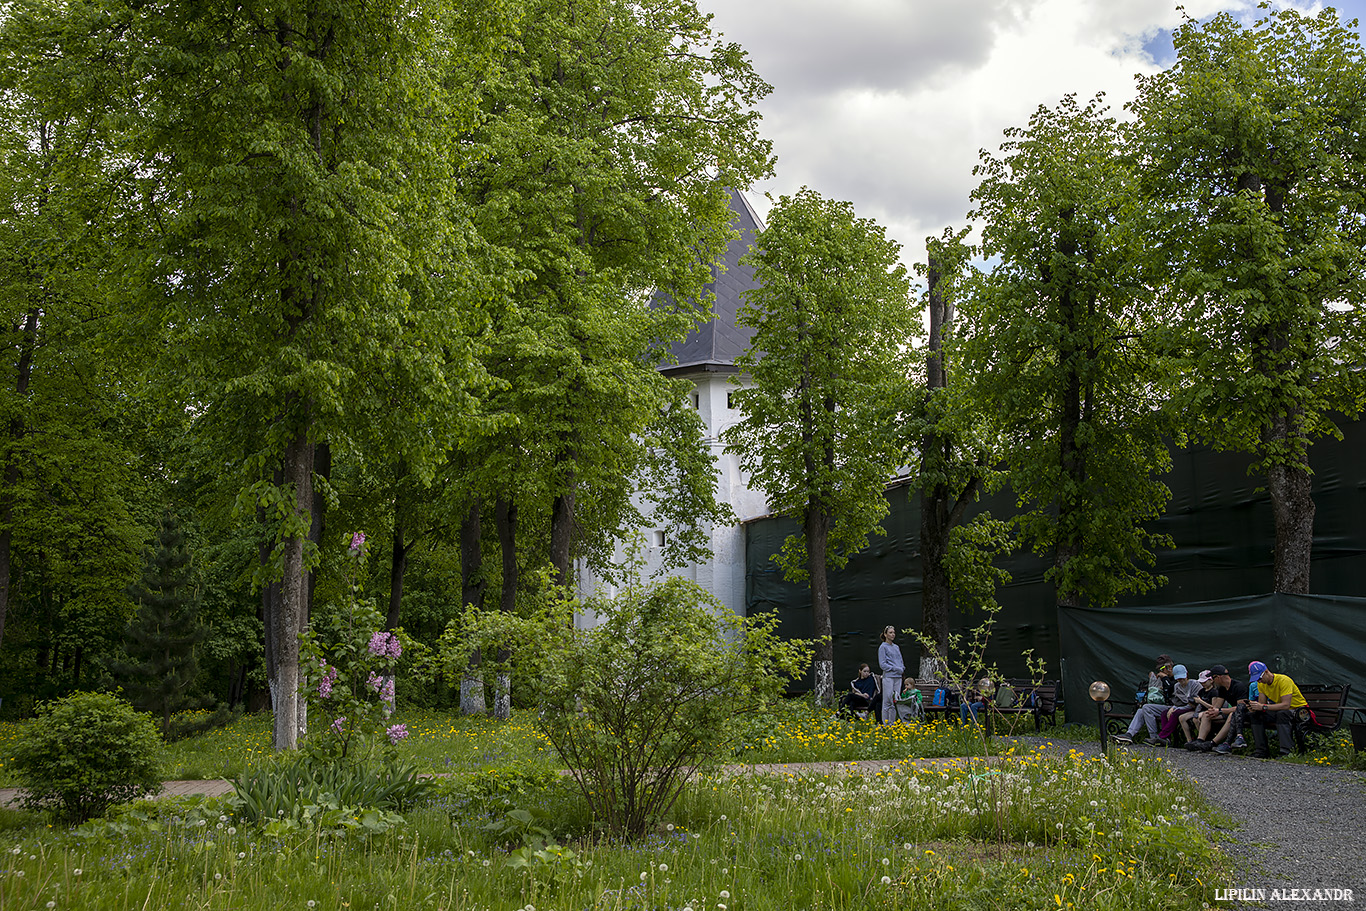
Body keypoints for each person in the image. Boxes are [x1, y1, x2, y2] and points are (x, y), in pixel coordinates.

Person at [1245, 660, 1307, 758]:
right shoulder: (1261, 684)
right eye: (1256, 679)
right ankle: (1261, 751)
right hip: (1281, 710)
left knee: (1282, 714)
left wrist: (1263, 707)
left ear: (1266, 672)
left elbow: (1286, 705)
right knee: (1255, 715)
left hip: (1299, 711)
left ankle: (1287, 752)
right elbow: (1262, 704)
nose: (1259, 681)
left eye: (1259, 678)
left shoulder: (1284, 680)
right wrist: (1254, 708)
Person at [1113, 656, 1178, 745]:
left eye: (1162, 668)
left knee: (1147, 708)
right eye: (1159, 669)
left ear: (1169, 667)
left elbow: (1171, 689)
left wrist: (1165, 678)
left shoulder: (1177, 675)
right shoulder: (1163, 678)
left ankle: (1154, 737)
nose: (1161, 671)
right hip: (1164, 707)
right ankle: (1129, 734)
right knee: (1141, 710)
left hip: (1175, 707)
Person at [1185, 664, 1248, 752]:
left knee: (1231, 715)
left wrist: (1219, 710)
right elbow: (1217, 706)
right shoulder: (1222, 689)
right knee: (1207, 714)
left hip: (1243, 714)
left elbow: (1240, 708)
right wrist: (1213, 711)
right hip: (1228, 712)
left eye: (1213, 678)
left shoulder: (1238, 686)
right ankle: (1200, 740)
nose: (1212, 681)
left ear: (1218, 677)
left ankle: (1213, 743)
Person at [877, 625, 905, 726]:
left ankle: (892, 723)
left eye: (893, 632)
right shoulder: (883, 647)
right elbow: (883, 664)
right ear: (885, 634)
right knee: (887, 700)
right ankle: (885, 723)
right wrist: (894, 668)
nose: (893, 634)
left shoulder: (896, 647)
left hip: (898, 677)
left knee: (895, 700)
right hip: (889, 676)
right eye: (890, 633)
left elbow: (900, 660)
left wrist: (902, 668)